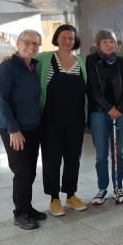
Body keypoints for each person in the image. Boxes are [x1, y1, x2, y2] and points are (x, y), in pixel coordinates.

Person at [0, 30, 46, 230]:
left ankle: (28, 207)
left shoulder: (33, 66)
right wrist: (13, 129)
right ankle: (19, 213)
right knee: (22, 171)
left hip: (32, 127)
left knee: (30, 172)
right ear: (18, 43)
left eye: (36, 44)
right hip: (14, 129)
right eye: (27, 42)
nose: (32, 46)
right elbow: (1, 100)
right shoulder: (8, 67)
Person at [34, 24, 88, 216]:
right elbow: (24, 61)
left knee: (73, 158)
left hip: (76, 119)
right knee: (52, 159)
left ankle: (71, 194)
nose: (67, 41)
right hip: (50, 120)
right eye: (64, 37)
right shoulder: (44, 58)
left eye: (71, 38)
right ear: (57, 38)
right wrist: (11, 58)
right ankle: (54, 198)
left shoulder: (80, 62)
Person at [86, 29, 123, 205]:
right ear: (98, 44)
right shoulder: (91, 60)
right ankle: (102, 189)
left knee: (118, 152)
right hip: (99, 112)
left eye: (112, 41)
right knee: (101, 153)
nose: (109, 45)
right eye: (105, 42)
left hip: (120, 113)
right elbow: (93, 88)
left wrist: (119, 108)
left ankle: (118, 187)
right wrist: (108, 108)